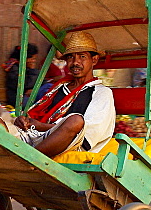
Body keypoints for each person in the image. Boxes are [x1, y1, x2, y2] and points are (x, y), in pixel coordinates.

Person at [13, 30, 115, 158]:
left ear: (94, 60)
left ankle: (30, 158)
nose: (75, 62)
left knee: (75, 121)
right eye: (71, 57)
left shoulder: (102, 93)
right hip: (35, 135)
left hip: (68, 145)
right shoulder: (59, 87)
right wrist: (24, 121)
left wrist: (42, 127)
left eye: (82, 56)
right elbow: (37, 114)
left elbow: (87, 134)